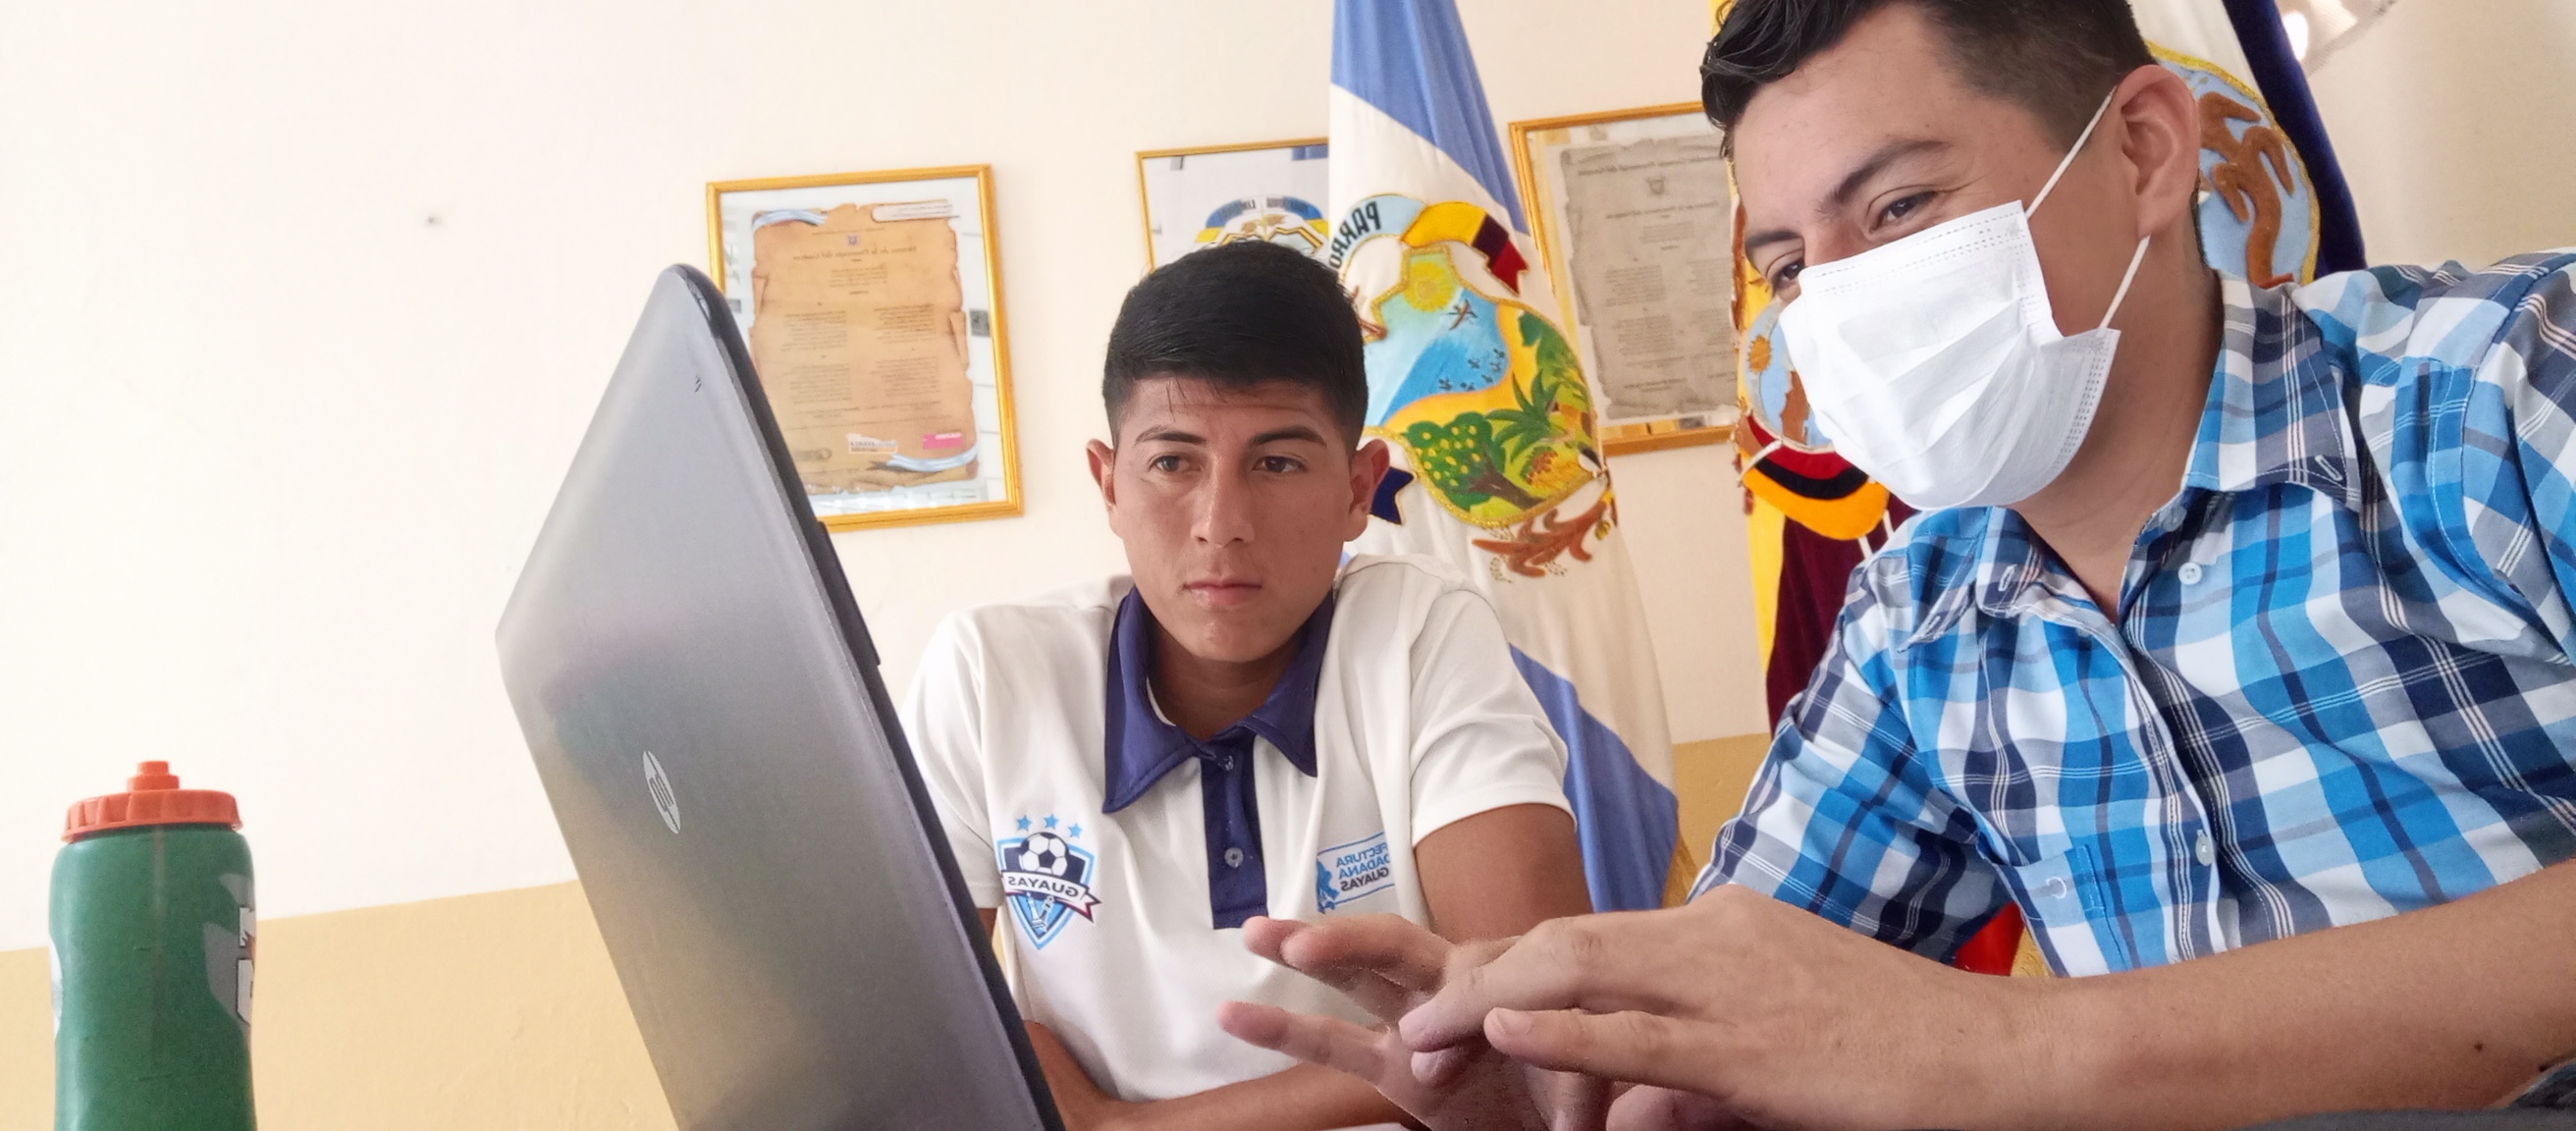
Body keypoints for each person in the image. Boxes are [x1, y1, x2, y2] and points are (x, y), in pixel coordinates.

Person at [1217, 1, 2576, 1127]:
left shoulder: (2496, 390)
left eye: (1897, 206)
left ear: (2145, 151)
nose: (1840, 303)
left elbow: (1988, 1056)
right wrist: (1565, 1075)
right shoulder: (1918, 619)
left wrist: (2028, 1049)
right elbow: (1737, 1002)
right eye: (1788, 264)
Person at [899, 239, 1595, 1131]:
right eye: (1172, 462)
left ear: (1359, 489)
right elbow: (910, 1019)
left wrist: (1126, 1128)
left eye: (1277, 463)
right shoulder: (989, 674)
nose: (1220, 524)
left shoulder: (1420, 635)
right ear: (1109, 484)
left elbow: (1528, 1019)